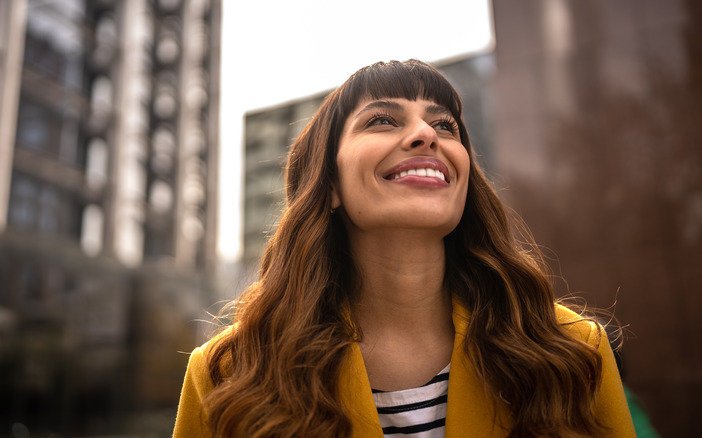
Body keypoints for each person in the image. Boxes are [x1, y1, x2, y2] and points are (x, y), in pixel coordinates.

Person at [172, 59, 636, 438]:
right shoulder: (226, 376)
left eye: (445, 125)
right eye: (382, 120)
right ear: (329, 184)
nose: (426, 134)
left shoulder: (572, 351)